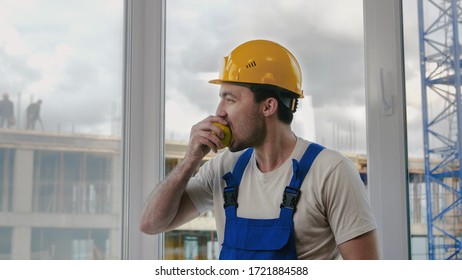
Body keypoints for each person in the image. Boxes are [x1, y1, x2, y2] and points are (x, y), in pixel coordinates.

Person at [140, 39, 379, 260]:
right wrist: (189, 161)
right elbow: (151, 224)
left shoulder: (330, 171)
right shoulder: (224, 168)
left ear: (268, 106)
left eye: (229, 99)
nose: (219, 111)